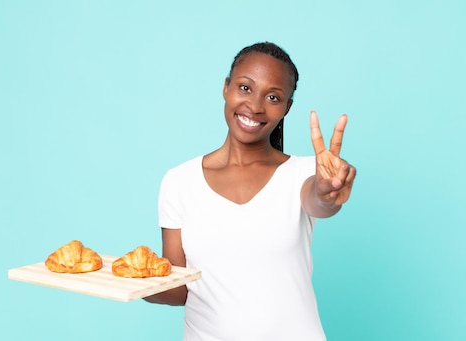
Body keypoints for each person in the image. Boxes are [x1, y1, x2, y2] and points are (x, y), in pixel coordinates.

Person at [144, 42, 357, 341]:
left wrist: (327, 192)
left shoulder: (304, 174)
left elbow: (319, 201)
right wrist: (137, 283)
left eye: (273, 97)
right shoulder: (179, 181)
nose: (255, 106)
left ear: (287, 108)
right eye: (245, 88)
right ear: (226, 87)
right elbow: (178, 290)